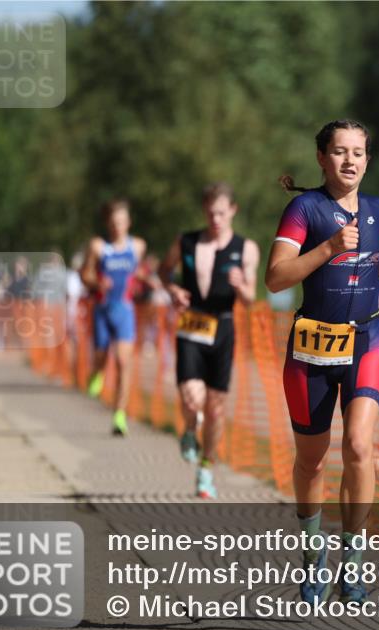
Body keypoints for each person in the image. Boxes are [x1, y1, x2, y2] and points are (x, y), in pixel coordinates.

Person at [265, 119, 379, 605]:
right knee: (311, 460)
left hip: (367, 340)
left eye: (357, 152)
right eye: (338, 151)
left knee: (358, 445)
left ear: (368, 160)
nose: (349, 160)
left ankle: (352, 562)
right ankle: (314, 560)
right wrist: (329, 246)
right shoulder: (303, 209)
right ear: (321, 158)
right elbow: (274, 278)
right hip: (312, 347)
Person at [159, 183, 259, 499]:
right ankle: (190, 430)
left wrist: (241, 286)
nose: (216, 219)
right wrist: (173, 290)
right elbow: (163, 271)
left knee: (216, 410)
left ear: (233, 211)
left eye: (221, 212)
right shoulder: (186, 241)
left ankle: (206, 468)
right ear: (204, 211)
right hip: (191, 325)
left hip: (223, 328)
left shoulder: (246, 248)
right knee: (191, 398)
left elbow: (250, 298)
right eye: (210, 213)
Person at [81, 199, 146, 436]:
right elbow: (84, 274)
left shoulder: (137, 246)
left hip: (125, 310)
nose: (118, 226)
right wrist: (97, 281)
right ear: (108, 223)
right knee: (100, 356)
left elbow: (136, 272)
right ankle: (96, 372)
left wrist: (144, 280)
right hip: (103, 309)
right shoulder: (98, 246)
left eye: (122, 222)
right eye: (113, 222)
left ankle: (120, 415)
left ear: (128, 222)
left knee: (123, 361)